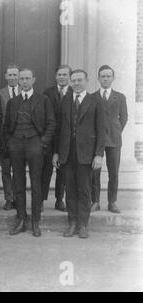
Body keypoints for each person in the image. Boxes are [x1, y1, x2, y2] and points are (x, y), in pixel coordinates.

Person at [53, 69, 105, 239]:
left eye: (79, 80)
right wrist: (56, 153)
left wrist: (98, 154)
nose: (75, 83)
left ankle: (83, 224)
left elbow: (101, 130)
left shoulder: (95, 101)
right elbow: (58, 130)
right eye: (73, 80)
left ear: (87, 81)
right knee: (70, 189)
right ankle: (72, 223)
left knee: (84, 190)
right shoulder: (65, 101)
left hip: (86, 154)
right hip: (67, 154)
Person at [3, 68, 56, 237]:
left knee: (36, 183)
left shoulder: (43, 100)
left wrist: (42, 143)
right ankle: (21, 219)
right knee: (18, 183)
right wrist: (10, 144)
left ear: (33, 80)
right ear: (18, 81)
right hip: (16, 144)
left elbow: (51, 123)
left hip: (35, 143)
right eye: (22, 79)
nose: (24, 81)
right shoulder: (13, 102)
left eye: (27, 78)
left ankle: (35, 221)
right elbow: (6, 127)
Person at [91, 65, 127, 214]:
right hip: (96, 140)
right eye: (103, 76)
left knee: (114, 172)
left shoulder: (120, 96)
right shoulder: (92, 97)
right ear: (98, 78)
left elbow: (124, 117)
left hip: (113, 139)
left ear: (113, 78)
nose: (105, 79)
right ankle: (95, 201)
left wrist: (116, 130)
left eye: (108, 76)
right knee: (95, 171)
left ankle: (112, 201)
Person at [42, 65, 73, 212]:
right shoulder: (47, 93)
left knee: (63, 170)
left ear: (69, 77)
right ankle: (41, 199)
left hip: (65, 138)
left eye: (65, 75)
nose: (61, 77)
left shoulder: (74, 92)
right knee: (45, 170)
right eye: (59, 74)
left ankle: (59, 200)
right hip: (49, 136)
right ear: (55, 76)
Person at [0, 64, 20, 211]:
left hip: (20, 138)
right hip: (5, 138)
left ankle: (18, 197)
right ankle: (9, 198)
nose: (12, 77)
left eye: (14, 75)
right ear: (6, 77)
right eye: (9, 75)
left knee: (18, 170)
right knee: (6, 170)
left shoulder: (24, 92)